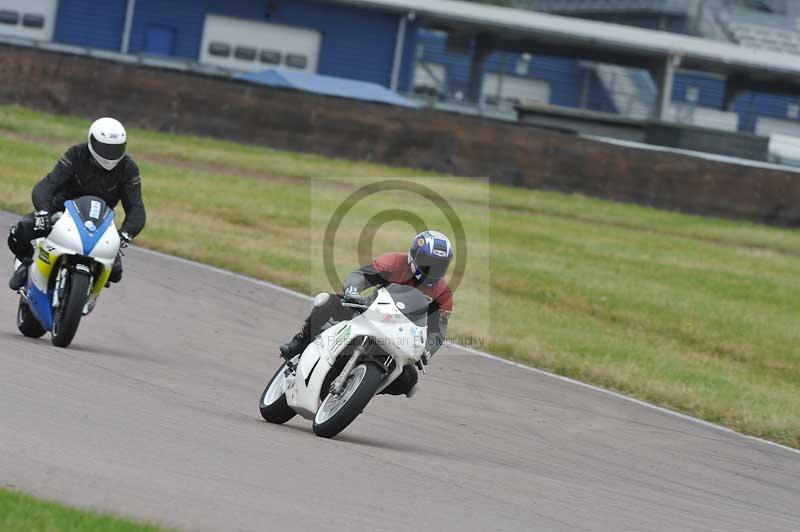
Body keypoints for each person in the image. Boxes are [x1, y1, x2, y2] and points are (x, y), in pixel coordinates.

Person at [280, 230, 454, 395]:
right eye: (427, 263)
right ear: (413, 256)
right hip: (370, 312)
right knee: (329, 301)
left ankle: (359, 390)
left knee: (409, 382)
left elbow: (437, 332)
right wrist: (353, 291)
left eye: (439, 265)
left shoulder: (443, 293)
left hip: (402, 336)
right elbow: (360, 276)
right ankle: (300, 342)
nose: (432, 269)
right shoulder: (394, 262)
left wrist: (428, 350)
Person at [7, 117, 146, 290]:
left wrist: (125, 234)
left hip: (99, 221)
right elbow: (48, 184)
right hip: (62, 210)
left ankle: (87, 290)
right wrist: (43, 211)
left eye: (116, 148)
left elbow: (136, 207)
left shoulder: (128, 168)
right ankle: (26, 264)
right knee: (21, 232)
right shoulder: (76, 154)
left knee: (115, 272)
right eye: (105, 147)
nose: (110, 154)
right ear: (92, 141)